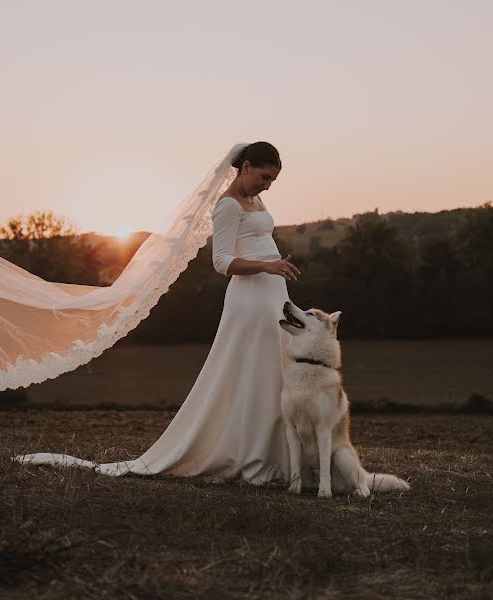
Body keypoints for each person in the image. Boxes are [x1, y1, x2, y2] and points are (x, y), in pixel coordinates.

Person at [17, 141, 302, 485]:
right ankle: (253, 456)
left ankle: (281, 454)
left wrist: (275, 269)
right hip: (250, 298)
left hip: (273, 294)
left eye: (272, 180)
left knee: (276, 371)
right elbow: (222, 262)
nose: (267, 185)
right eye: (263, 177)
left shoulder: (254, 200)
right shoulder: (227, 206)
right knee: (254, 372)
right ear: (245, 168)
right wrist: (267, 267)